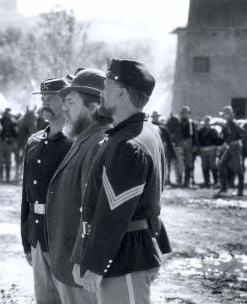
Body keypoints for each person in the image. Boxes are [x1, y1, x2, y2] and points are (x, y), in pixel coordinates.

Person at [71, 59, 172, 303]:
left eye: (106, 86)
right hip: (131, 249)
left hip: (125, 255)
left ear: (122, 93)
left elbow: (114, 213)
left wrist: (94, 263)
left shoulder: (127, 145)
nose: (102, 93)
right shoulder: (148, 131)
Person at [44, 69, 112, 304]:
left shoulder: (97, 143)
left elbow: (93, 212)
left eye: (71, 102)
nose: (64, 109)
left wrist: (84, 260)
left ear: (94, 107)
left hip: (80, 270)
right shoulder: (83, 138)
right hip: (68, 263)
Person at [21, 78, 73, 304]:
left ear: (66, 103)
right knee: (45, 300)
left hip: (65, 238)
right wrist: (27, 241)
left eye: (51, 99)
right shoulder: (33, 142)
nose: (44, 103)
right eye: (43, 99)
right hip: (38, 236)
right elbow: (26, 198)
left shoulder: (75, 143)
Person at [216, 105, 245, 197]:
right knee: (222, 164)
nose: (224, 116)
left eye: (226, 114)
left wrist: (223, 146)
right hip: (231, 146)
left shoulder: (232, 123)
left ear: (230, 114)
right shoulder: (228, 123)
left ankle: (240, 191)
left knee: (238, 168)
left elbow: (233, 136)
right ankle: (224, 187)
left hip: (235, 146)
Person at [198, 115, 221, 188]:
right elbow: (198, 140)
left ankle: (215, 182)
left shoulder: (213, 131)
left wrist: (217, 150)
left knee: (213, 166)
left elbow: (217, 141)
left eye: (208, 121)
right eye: (206, 121)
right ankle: (206, 182)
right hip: (203, 150)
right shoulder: (200, 131)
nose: (207, 123)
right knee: (205, 167)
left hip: (212, 149)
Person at [179, 105, 199, 187]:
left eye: (187, 113)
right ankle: (179, 180)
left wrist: (195, 145)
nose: (185, 114)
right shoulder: (179, 123)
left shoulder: (192, 123)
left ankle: (187, 182)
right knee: (180, 162)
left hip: (189, 143)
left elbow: (195, 135)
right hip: (180, 143)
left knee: (189, 163)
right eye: (184, 113)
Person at [0, 108, 18, 181]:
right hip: (1, 142)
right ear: (5, 113)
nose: (8, 114)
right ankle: (1, 177)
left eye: (9, 113)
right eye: (7, 113)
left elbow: (16, 134)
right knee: (1, 160)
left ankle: (7, 178)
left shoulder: (12, 122)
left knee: (8, 161)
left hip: (9, 143)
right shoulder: (0, 121)